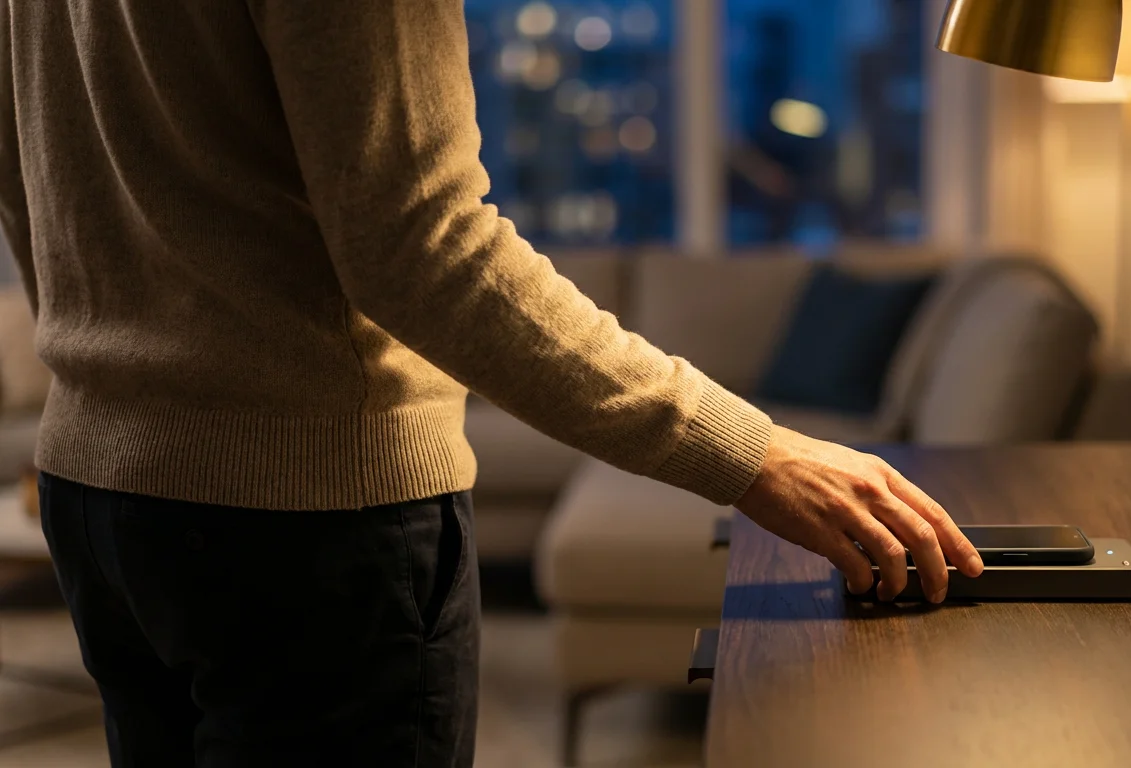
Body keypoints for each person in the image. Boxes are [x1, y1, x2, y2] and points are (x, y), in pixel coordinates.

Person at [0, 1, 983, 766]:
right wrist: (749, 450)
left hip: (101, 488)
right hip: (301, 526)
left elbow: (30, 181)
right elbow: (423, 246)